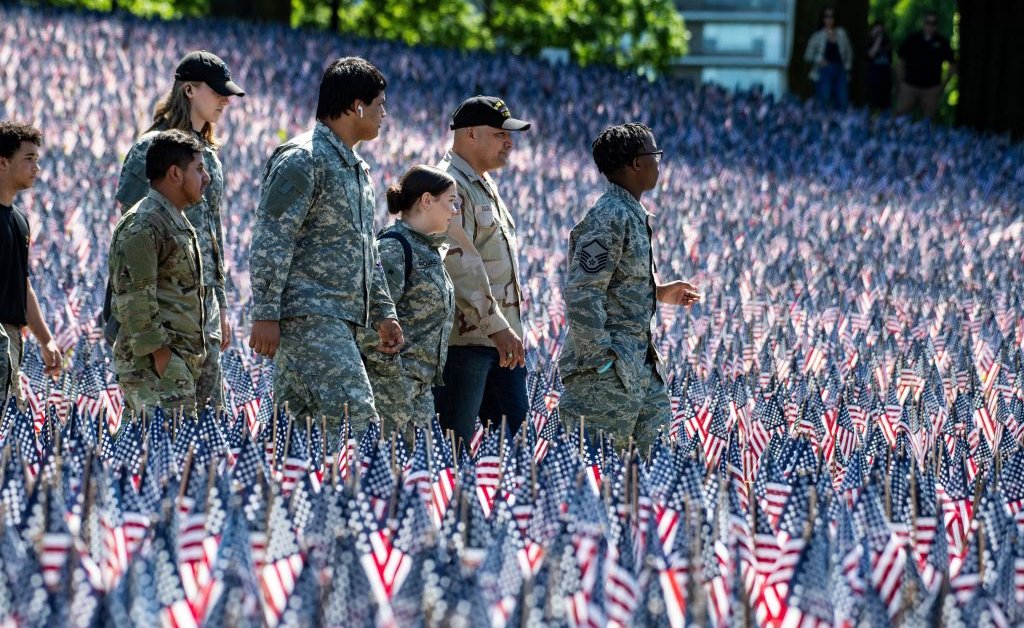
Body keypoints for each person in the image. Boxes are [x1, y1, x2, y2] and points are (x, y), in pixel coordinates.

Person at [248, 57, 403, 437]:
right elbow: (272, 236)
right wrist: (266, 312)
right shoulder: (304, 159)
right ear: (357, 106)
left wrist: (384, 311)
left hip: (340, 318)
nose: (385, 113)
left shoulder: (355, 168)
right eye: (380, 104)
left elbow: (367, 250)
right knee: (359, 424)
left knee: (292, 435)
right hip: (310, 317)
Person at [115, 50, 244, 411]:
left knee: (206, 424)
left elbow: (213, 236)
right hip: (163, 310)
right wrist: (149, 334)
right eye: (218, 92)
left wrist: (219, 304)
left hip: (202, 312)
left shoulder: (209, 156)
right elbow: (132, 235)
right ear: (189, 90)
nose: (225, 100)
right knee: (159, 429)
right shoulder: (151, 150)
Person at [558, 123, 700, 452]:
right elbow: (582, 292)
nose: (659, 164)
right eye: (655, 155)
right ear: (637, 163)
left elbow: (617, 285)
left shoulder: (631, 214)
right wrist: (600, 363)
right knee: (598, 473)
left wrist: (661, 292)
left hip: (639, 365)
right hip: (606, 376)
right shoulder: (609, 217)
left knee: (652, 474)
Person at [432, 96, 531, 447]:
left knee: (514, 451)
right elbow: (460, 265)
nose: (509, 142)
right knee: (452, 450)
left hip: (498, 341)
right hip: (467, 343)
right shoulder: (448, 185)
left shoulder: (483, 183)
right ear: (470, 135)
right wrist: (498, 327)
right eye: (500, 133)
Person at [108, 130, 210, 417]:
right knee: (155, 453)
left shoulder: (171, 217)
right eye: (199, 169)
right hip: (154, 370)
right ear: (175, 174)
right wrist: (165, 361)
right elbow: (136, 303)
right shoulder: (144, 223)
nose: (207, 178)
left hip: (173, 367)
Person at [359, 166, 458, 444]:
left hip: (419, 388)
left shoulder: (426, 248)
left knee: (420, 476)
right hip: (391, 390)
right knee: (390, 470)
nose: (455, 210)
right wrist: (393, 377)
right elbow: (371, 318)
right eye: (451, 201)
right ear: (427, 201)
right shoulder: (394, 247)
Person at [0, 122, 62, 409]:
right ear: (3, 162)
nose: (36, 168)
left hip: (12, 340)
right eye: (28, 159)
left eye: (37, 160)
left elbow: (22, 284)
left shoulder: (19, 219)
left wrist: (45, 339)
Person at [895, 11, 956, 120]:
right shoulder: (913, 39)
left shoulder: (942, 42)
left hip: (931, 88)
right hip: (910, 85)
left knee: (928, 120)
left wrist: (943, 85)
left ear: (937, 25)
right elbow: (900, 60)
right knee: (900, 116)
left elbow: (952, 65)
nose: (930, 26)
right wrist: (901, 82)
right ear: (923, 23)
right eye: (928, 22)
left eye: (934, 23)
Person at [803, 6, 853, 111]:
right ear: (822, 18)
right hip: (824, 71)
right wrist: (819, 60)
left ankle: (841, 124)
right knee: (825, 99)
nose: (829, 19)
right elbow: (808, 55)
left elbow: (849, 52)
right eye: (826, 16)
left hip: (840, 70)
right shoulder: (817, 36)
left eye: (832, 16)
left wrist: (847, 66)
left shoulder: (841, 34)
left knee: (842, 99)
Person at [865, 21, 893, 111]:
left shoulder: (887, 42)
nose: (879, 33)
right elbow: (870, 54)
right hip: (873, 78)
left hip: (885, 79)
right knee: (872, 103)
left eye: (881, 30)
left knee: (885, 104)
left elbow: (890, 60)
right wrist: (877, 40)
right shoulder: (868, 41)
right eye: (877, 30)